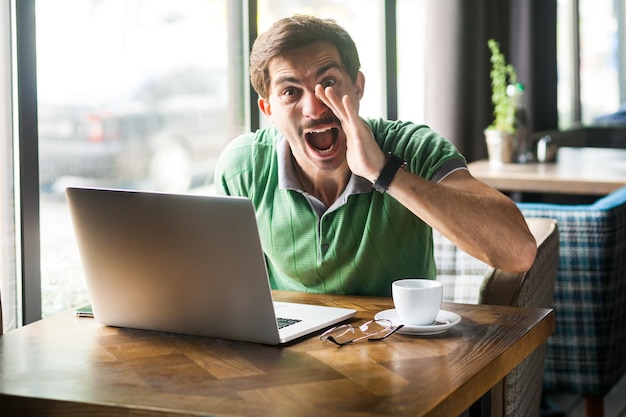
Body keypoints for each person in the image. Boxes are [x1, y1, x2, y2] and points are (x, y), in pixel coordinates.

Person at [214, 14, 536, 297]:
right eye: (290, 92)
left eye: (328, 83)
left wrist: (385, 172)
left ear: (357, 86)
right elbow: (229, 291)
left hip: (400, 356)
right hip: (295, 360)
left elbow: (519, 251)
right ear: (268, 110)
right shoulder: (243, 168)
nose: (314, 107)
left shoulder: (412, 146)